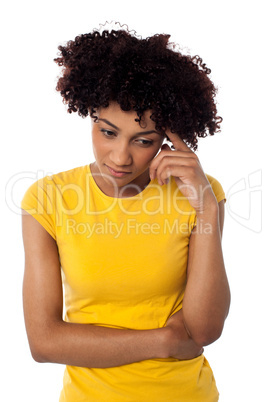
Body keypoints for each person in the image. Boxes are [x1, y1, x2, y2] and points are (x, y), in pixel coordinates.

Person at [21, 23, 231, 401]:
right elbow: (44, 342)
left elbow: (204, 329)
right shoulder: (48, 199)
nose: (120, 157)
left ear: (168, 140)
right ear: (90, 115)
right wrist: (163, 341)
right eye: (107, 132)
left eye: (144, 140)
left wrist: (208, 212)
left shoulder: (200, 195)